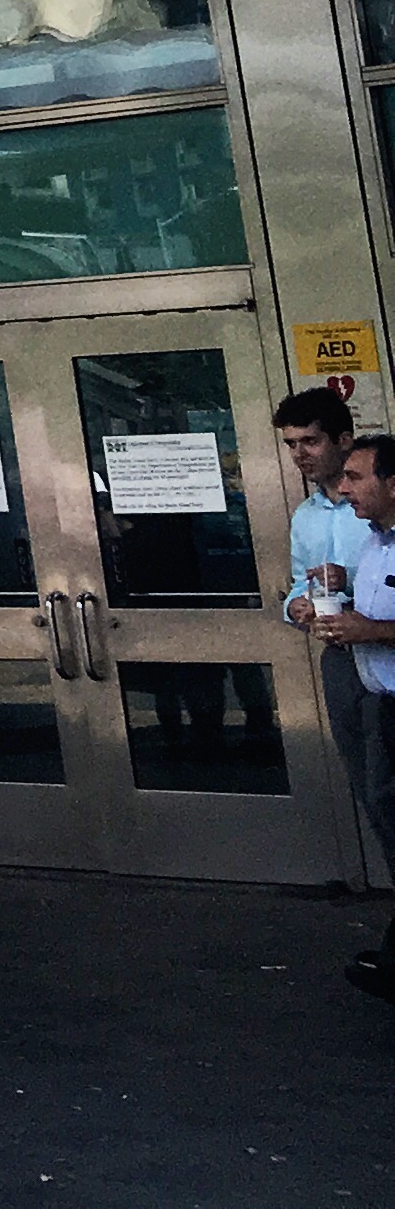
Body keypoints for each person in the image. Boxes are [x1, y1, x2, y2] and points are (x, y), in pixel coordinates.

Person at [312, 433, 395, 990]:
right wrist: (337, 610)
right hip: (380, 705)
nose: (344, 488)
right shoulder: (374, 543)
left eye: (357, 477)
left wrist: (372, 631)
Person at [280, 387, 365, 877]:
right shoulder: (306, 515)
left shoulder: (377, 503)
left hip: (383, 644)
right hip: (340, 656)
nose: (299, 455)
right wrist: (297, 607)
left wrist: (347, 581)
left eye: (310, 441)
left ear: (343, 439)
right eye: (292, 444)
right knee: (368, 781)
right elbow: (301, 580)